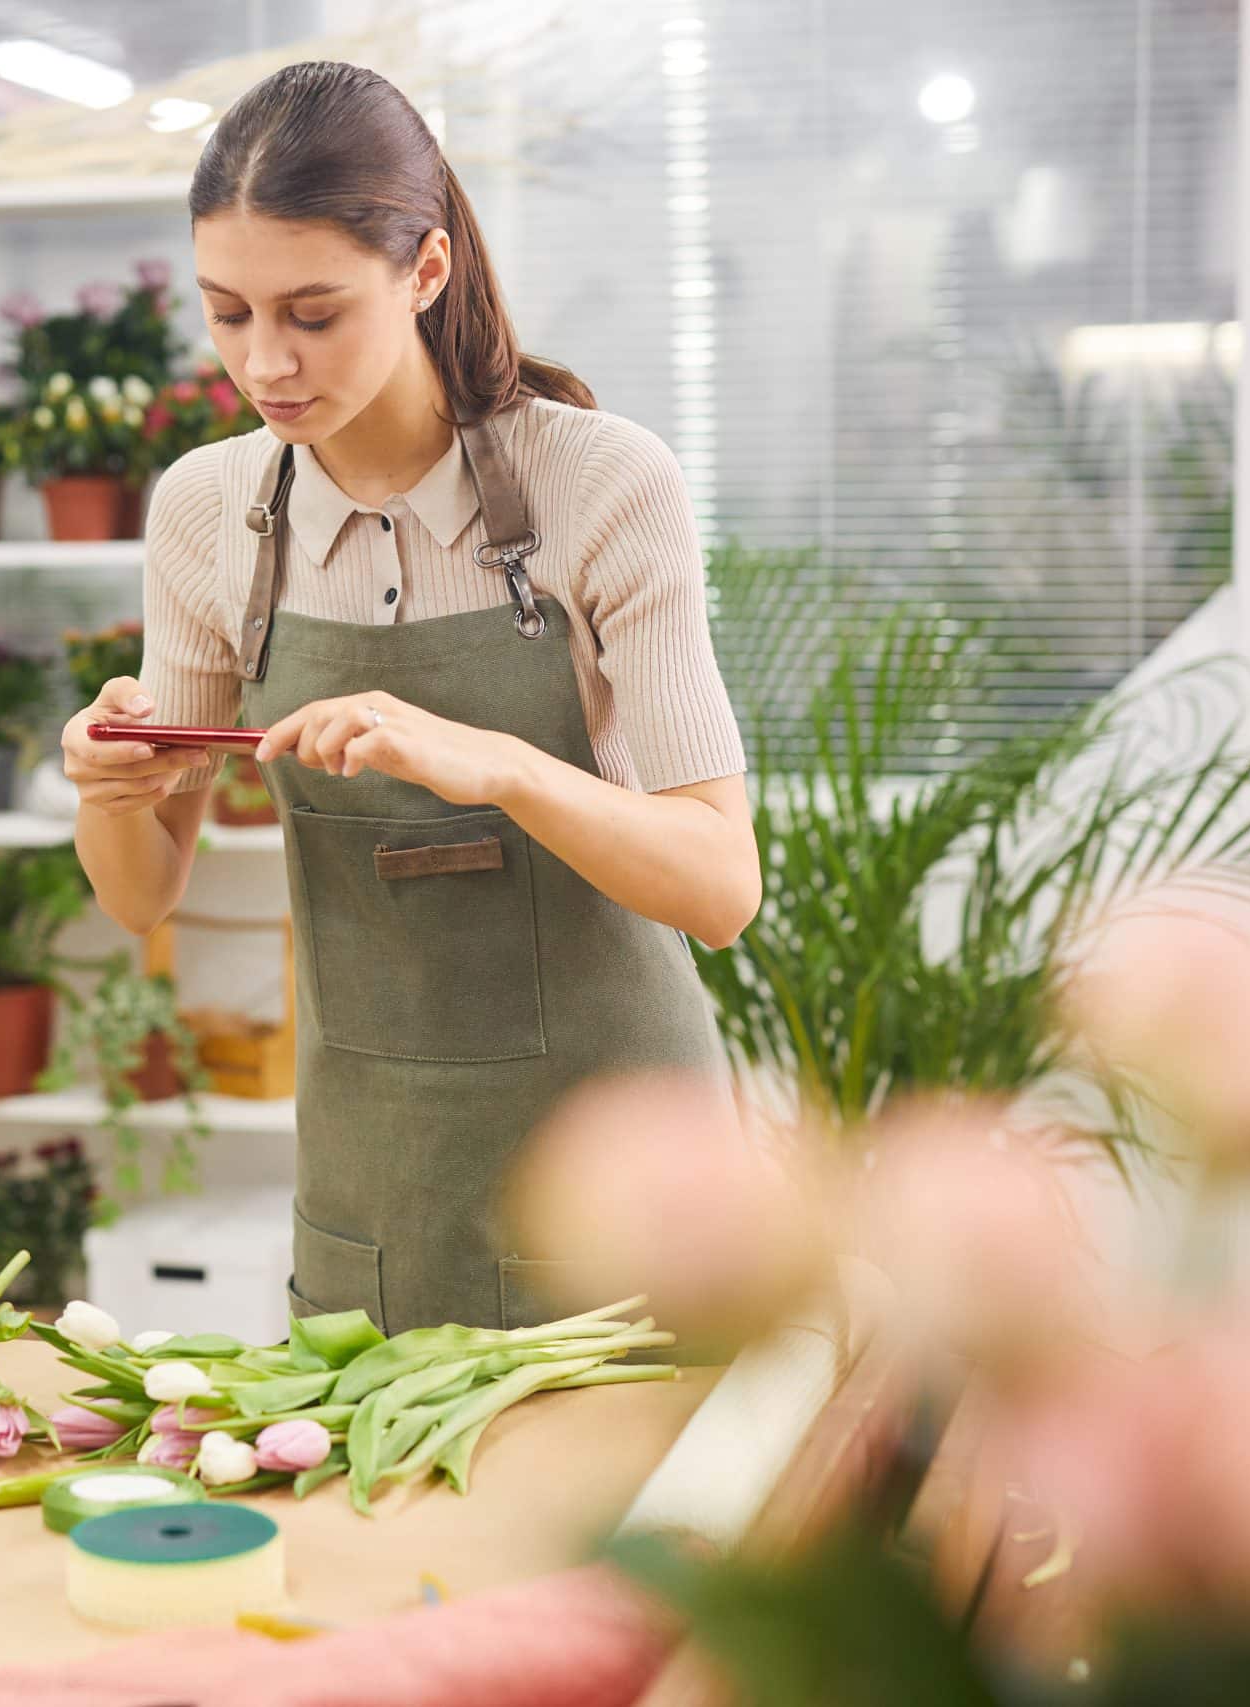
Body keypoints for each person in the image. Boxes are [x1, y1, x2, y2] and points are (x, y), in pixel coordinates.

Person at [60, 60, 760, 1336]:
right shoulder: (209, 512)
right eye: (227, 313)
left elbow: (719, 889)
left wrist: (494, 763)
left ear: (425, 270)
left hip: (623, 1167)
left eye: (313, 313)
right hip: (373, 1177)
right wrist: (111, 785)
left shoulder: (600, 486)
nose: (265, 362)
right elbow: (139, 889)